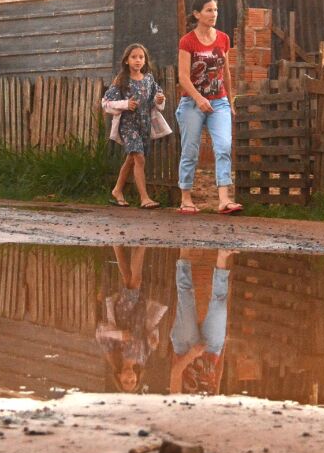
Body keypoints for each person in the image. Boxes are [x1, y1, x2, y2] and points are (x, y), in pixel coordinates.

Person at [176, 0, 242, 215]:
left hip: (219, 103)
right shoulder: (187, 41)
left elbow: (227, 73)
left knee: (223, 147)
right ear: (197, 14)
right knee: (190, 151)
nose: (213, 14)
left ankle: (224, 199)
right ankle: (186, 198)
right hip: (192, 103)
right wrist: (199, 98)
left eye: (215, 10)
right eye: (208, 10)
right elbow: (183, 77)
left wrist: (230, 101)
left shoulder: (223, 38)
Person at [102, 43, 171, 209]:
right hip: (128, 126)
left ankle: (117, 190)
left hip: (144, 125)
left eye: (141, 57)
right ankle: (144, 198)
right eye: (134, 57)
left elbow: (157, 97)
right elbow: (105, 103)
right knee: (139, 158)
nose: (138, 60)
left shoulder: (149, 79)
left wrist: (159, 99)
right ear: (126, 60)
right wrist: (126, 104)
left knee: (132, 159)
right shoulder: (121, 80)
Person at [95, 245, 168, 392]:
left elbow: (100, 333)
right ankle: (117, 246)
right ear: (137, 377)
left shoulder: (113, 355)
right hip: (139, 314)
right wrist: (154, 339)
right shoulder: (142, 359)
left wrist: (120, 335)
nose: (129, 378)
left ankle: (142, 244)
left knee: (136, 281)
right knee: (129, 278)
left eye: (126, 382)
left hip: (124, 313)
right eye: (133, 381)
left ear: (119, 376)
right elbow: (151, 334)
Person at [169, 248, 236, 395]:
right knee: (219, 306)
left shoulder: (177, 407)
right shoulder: (211, 410)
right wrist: (222, 346)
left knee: (186, 296)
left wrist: (191, 354)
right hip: (211, 351)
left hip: (185, 349)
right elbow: (218, 375)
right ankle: (222, 256)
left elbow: (175, 373)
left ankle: (185, 250)